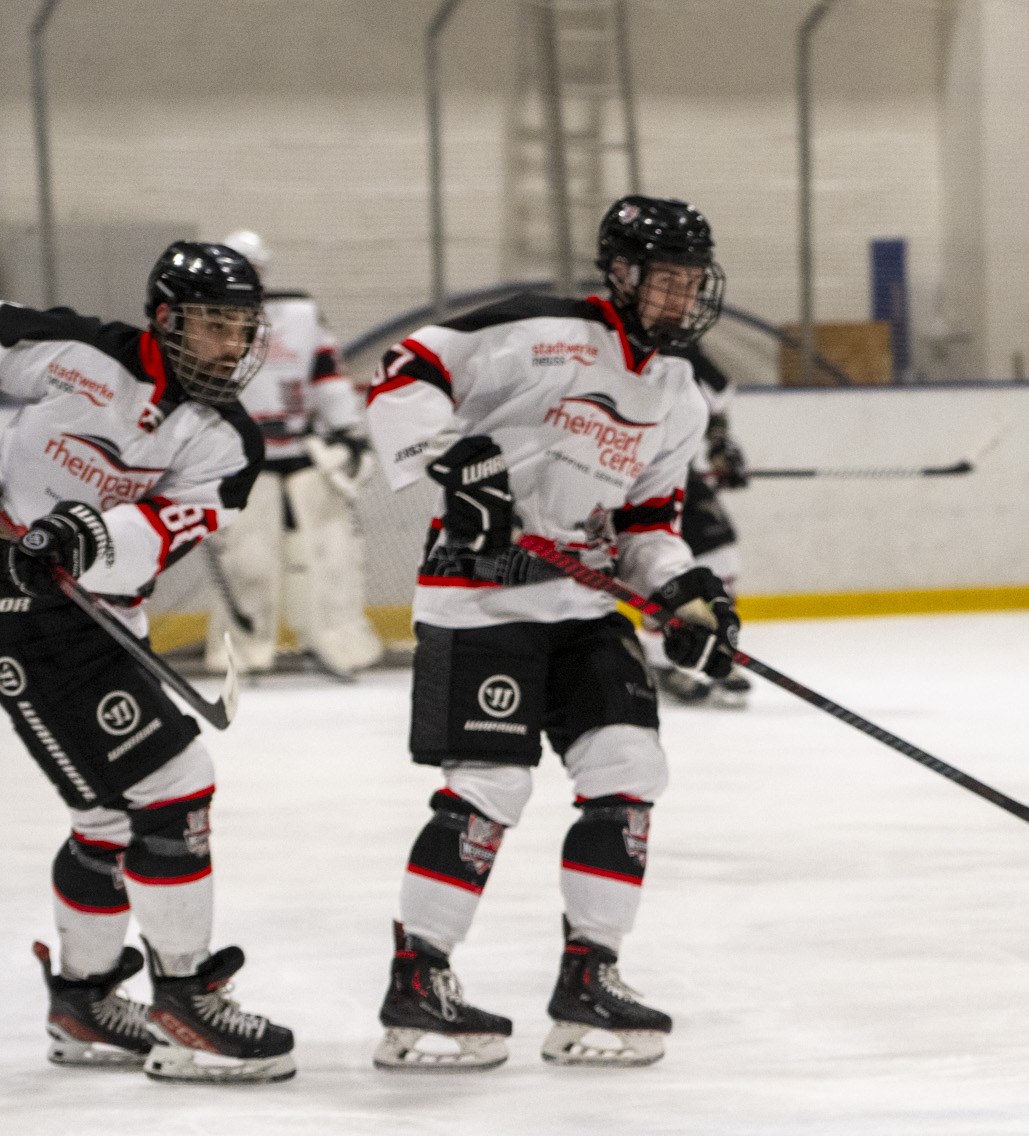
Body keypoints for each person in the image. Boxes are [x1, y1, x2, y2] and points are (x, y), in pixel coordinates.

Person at [363, 194, 738, 1071]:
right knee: (490, 789)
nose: (682, 298)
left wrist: (685, 593)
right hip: (481, 599)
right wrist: (455, 466)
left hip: (581, 606)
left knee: (629, 770)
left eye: (693, 281)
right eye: (667, 279)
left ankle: (589, 977)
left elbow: (647, 520)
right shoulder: (544, 333)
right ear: (622, 273)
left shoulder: (678, 391)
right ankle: (418, 985)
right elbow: (405, 369)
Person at [5, 242, 298, 1082]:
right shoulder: (73, 353)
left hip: (97, 620)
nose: (232, 347)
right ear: (165, 321)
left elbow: (162, 531)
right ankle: (182, 1006)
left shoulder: (227, 441)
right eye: (214, 326)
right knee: (175, 784)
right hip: (23, 619)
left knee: (108, 818)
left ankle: (85, 1006)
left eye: (243, 329)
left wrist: (79, 533)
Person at [199, 230, 384, 680]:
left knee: (330, 557)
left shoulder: (300, 314)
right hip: (241, 460)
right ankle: (241, 653)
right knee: (247, 561)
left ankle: (337, 646)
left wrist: (348, 431)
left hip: (303, 453)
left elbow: (325, 375)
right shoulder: (205, 318)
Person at [652, 351, 750, 708]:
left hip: (681, 472)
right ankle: (661, 662)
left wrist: (720, 447)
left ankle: (720, 650)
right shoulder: (611, 342)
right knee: (654, 565)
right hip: (627, 477)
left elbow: (718, 401)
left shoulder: (685, 349)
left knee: (721, 555)